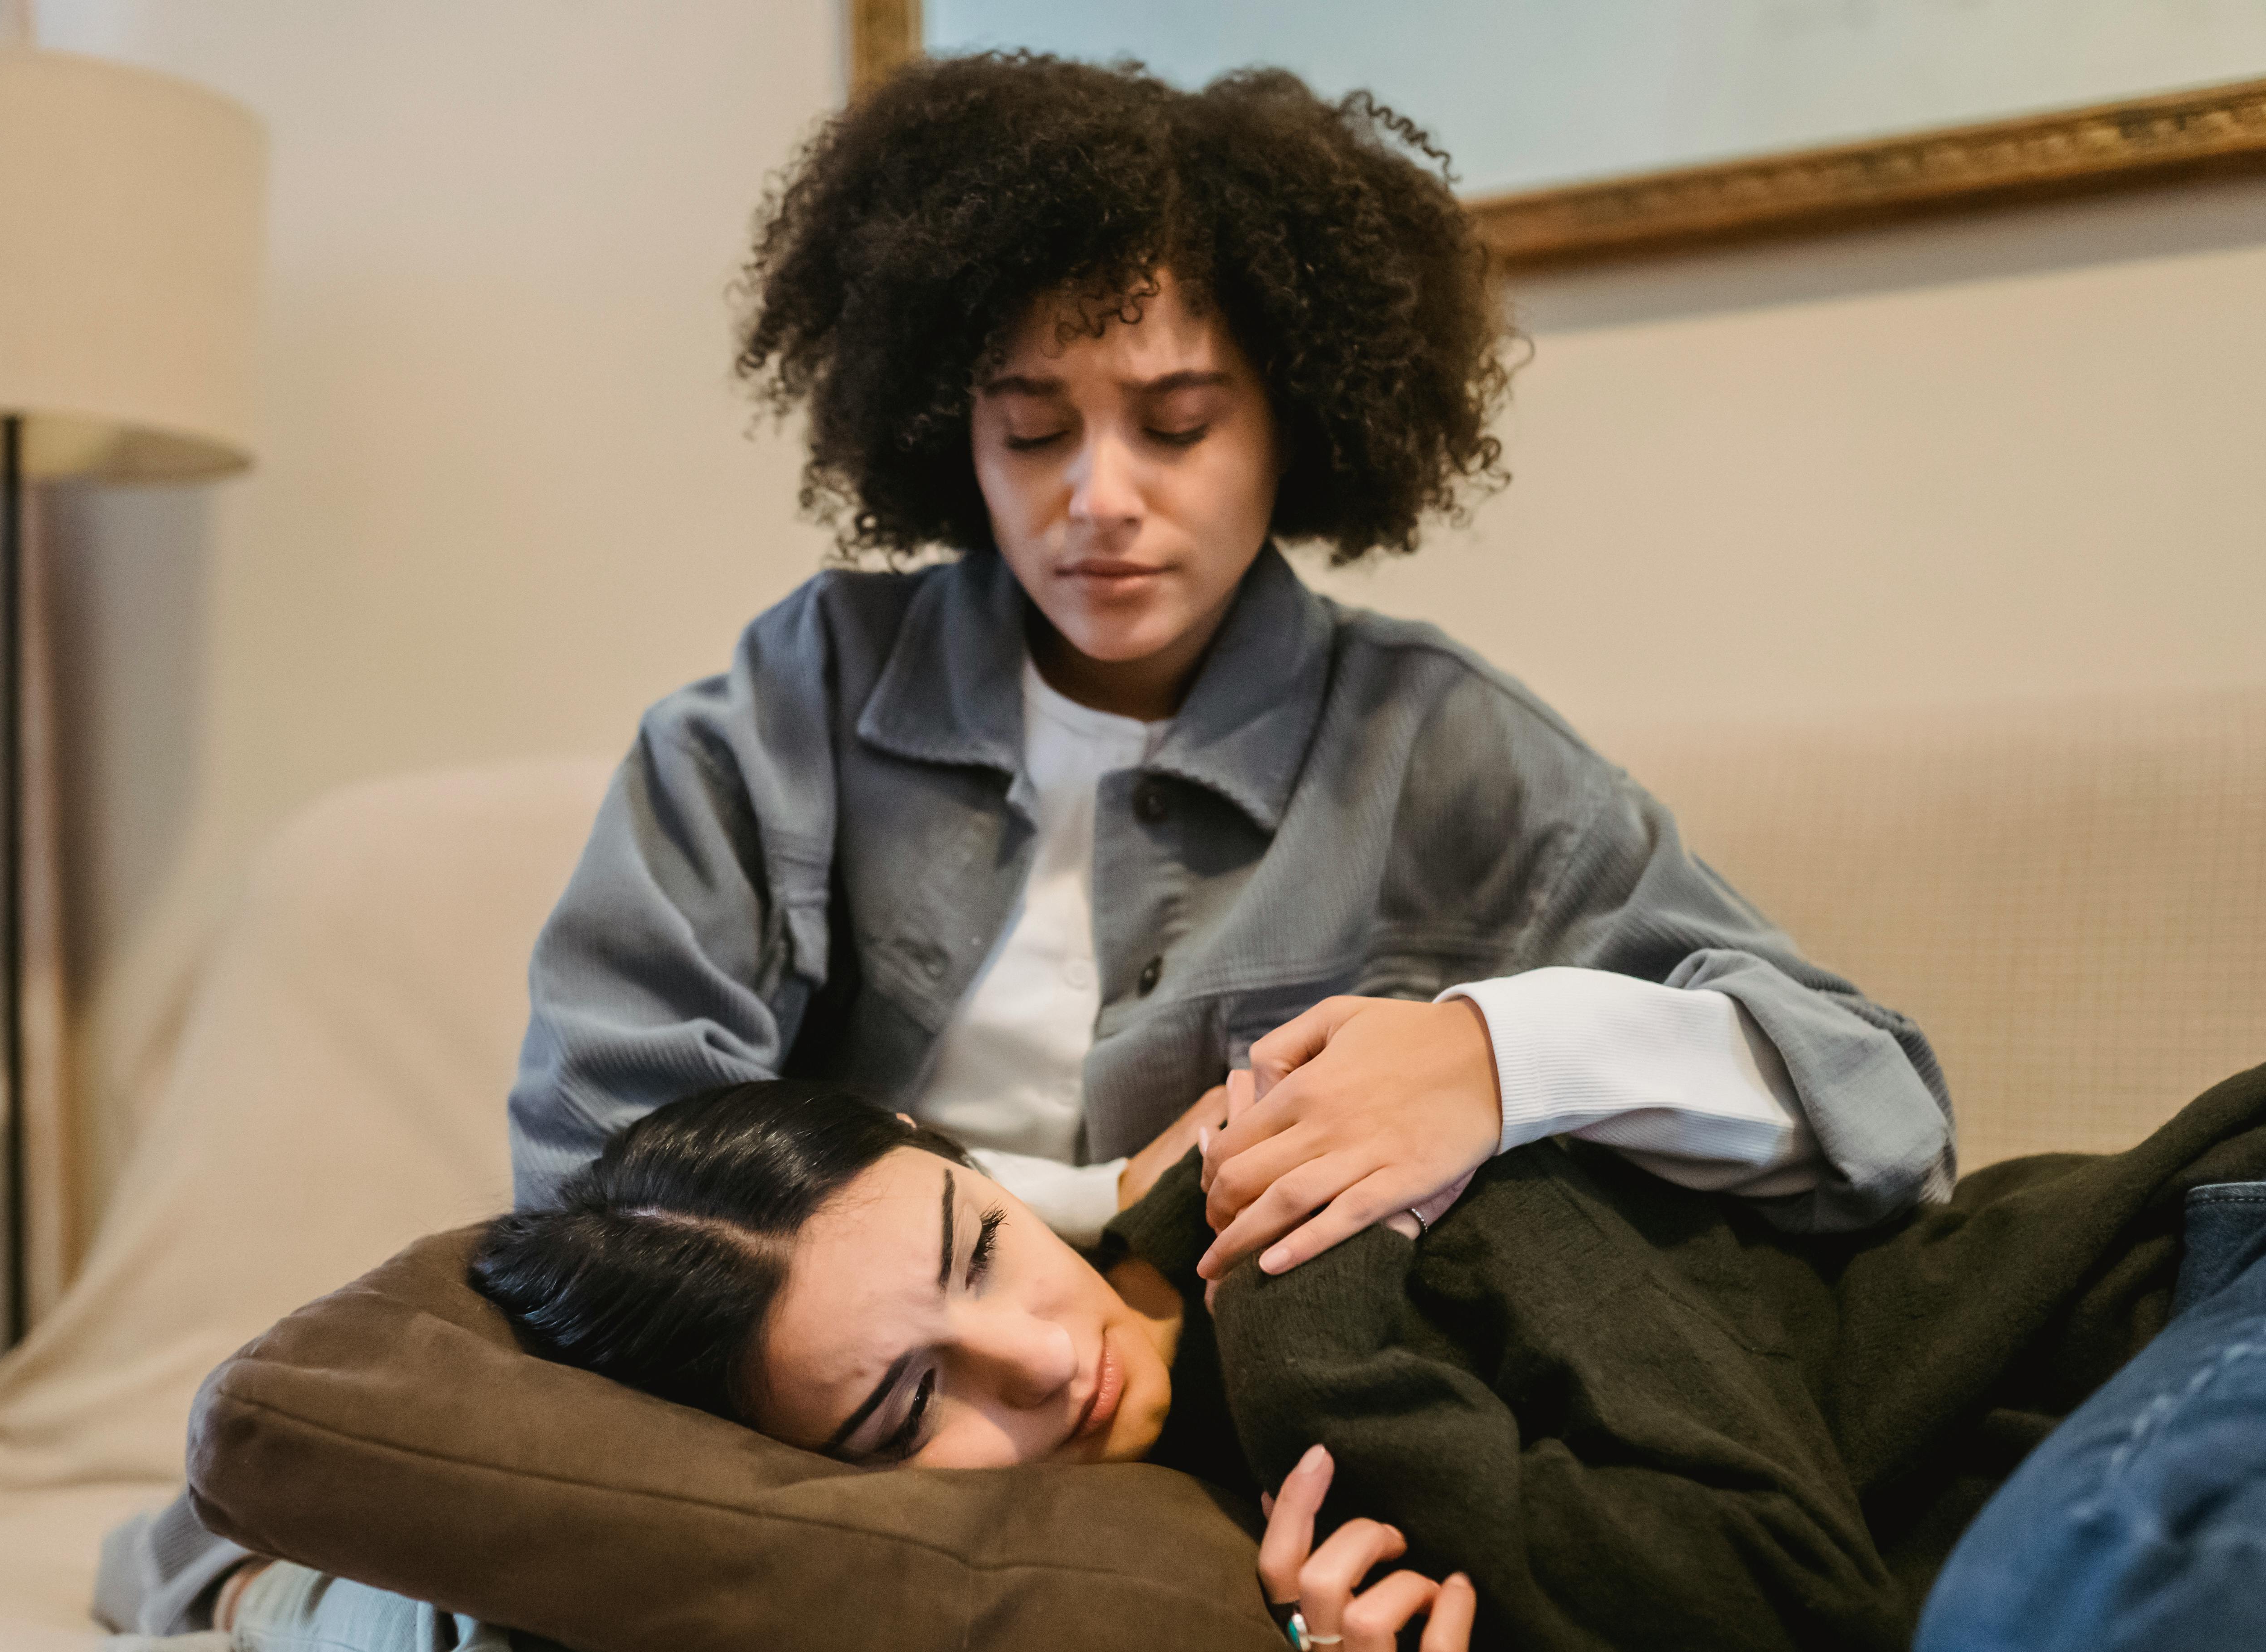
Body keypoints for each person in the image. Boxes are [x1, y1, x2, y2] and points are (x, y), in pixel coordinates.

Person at [510, 51, 1957, 1282]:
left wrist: (1497, 1058)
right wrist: (1095, 1203)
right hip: (846, 1421)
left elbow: (1881, 1113)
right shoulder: (801, 702)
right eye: (1030, 427)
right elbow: (600, 1163)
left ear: (1298, 419)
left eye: (1178, 423)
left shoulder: (1432, 745)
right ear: (948, 429)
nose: (1098, 496)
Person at [461, 1070, 2266, 1652]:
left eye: (981, 1244)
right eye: (907, 1400)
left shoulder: (1338, 1186)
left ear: (973, 1160)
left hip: (2190, 1302)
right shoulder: (1155, 1590)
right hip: (2008, 1591)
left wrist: (1335, 1370)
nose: (1035, 1354)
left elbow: (1793, 1641)